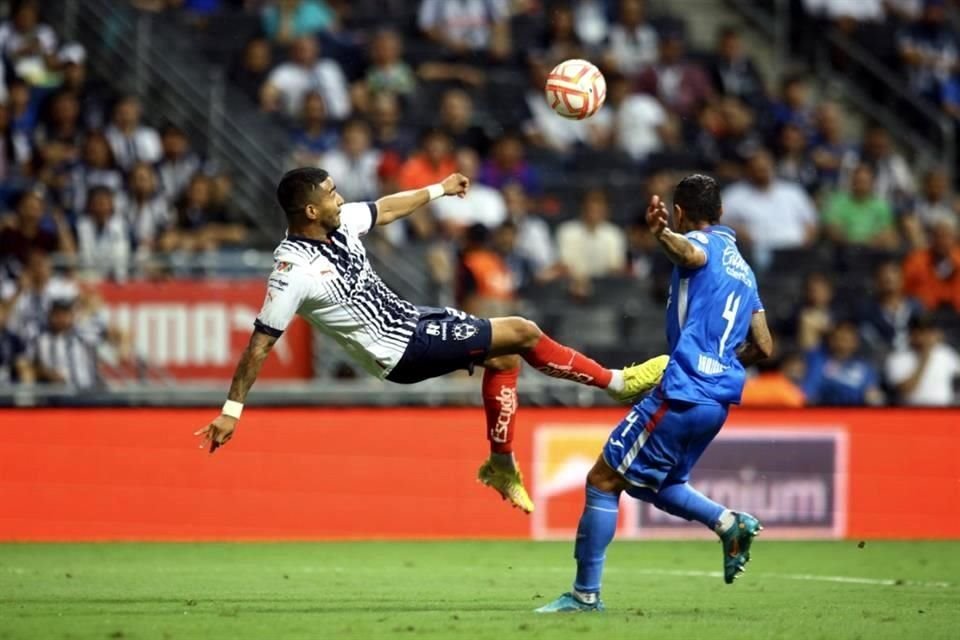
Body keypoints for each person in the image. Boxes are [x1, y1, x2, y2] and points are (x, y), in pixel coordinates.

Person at [194, 168, 668, 514]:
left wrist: (439, 189)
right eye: (333, 195)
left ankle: (501, 465)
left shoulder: (340, 225)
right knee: (522, 331)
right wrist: (231, 412)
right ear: (312, 210)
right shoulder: (292, 272)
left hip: (415, 320)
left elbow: (388, 207)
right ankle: (618, 383)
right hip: (400, 349)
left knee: (505, 361)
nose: (342, 200)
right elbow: (259, 345)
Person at [536, 174, 773, 613]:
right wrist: (721, 361)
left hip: (684, 392)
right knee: (655, 484)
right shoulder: (746, 268)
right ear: (720, 212)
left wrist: (661, 233)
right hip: (718, 401)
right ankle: (727, 523)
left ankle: (585, 595)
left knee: (603, 481)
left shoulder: (703, 246)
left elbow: (691, 252)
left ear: (682, 214)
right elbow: (765, 345)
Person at [802, 320, 884, 406]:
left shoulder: (865, 368)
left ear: (855, 342)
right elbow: (808, 392)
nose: (843, 344)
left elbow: (872, 394)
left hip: (856, 413)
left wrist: (874, 398)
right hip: (824, 411)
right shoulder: (818, 361)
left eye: (847, 340)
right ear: (831, 340)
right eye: (839, 338)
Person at [886, 313, 960, 406]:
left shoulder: (946, 353)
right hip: (912, 413)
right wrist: (924, 359)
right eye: (922, 332)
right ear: (911, 334)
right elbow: (905, 390)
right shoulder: (898, 357)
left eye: (930, 331)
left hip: (944, 412)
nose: (927, 336)